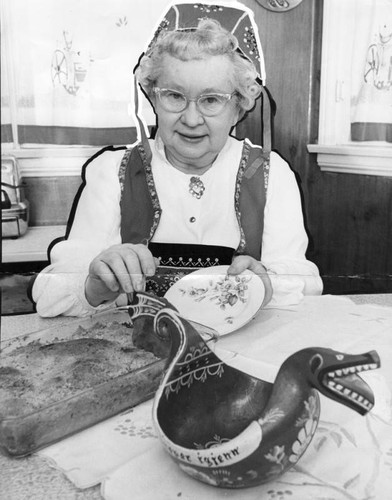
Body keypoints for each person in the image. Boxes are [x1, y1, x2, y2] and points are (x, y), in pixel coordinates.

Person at [31, 1, 323, 317]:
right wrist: (94, 283)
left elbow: (303, 281)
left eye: (212, 100)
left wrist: (267, 283)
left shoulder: (271, 175)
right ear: (153, 96)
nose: (192, 118)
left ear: (239, 106)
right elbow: (51, 294)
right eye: (174, 96)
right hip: (136, 355)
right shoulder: (113, 173)